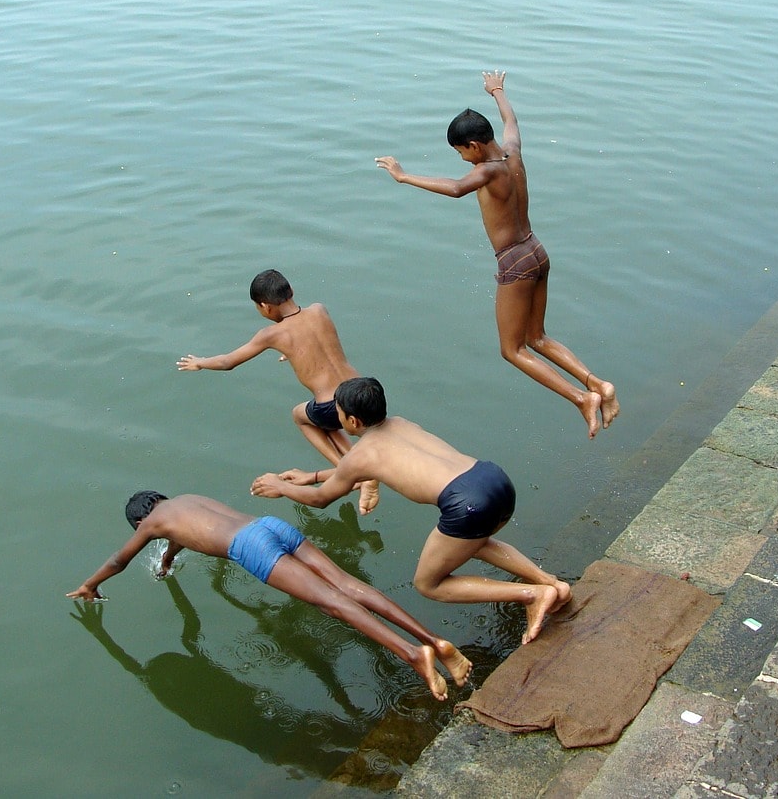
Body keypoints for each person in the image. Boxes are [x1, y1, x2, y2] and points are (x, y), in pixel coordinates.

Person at [374, 70, 619, 438]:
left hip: (515, 261)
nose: (462, 160)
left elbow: (457, 188)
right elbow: (511, 121)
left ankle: (581, 398)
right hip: (537, 250)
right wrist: (498, 91)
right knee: (537, 337)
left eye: (460, 152)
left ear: (473, 145)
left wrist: (404, 176)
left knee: (513, 349)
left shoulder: (486, 171)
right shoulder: (512, 152)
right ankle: (599, 385)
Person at [250, 377, 571, 645]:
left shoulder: (362, 454)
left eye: (338, 412)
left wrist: (282, 487)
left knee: (429, 584)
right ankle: (553, 584)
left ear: (353, 421)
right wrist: (312, 475)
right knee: (475, 543)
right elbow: (372, 468)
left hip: (467, 503)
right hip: (493, 479)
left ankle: (531, 594)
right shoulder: (401, 424)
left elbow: (321, 499)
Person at [66, 490, 472, 701]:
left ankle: (412, 655)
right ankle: (434, 642)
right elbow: (185, 533)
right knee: (348, 585)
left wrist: (90, 584)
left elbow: (118, 561)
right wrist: (169, 560)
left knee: (332, 603)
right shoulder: (182, 503)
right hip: (269, 525)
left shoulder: (149, 524)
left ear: (140, 520)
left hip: (251, 548)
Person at [177, 269, 380, 513]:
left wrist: (200, 362)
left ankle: (350, 472)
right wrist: (295, 351)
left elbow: (228, 362)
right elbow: (317, 342)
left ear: (265, 306)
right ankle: (357, 468)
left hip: (330, 406)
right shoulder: (319, 310)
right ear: (291, 290)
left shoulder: (272, 334)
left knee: (300, 416)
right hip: (359, 390)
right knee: (323, 420)